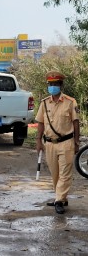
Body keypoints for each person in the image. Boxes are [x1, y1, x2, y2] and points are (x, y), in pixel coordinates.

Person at [35, 70, 80, 214]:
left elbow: (76, 123)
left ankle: (59, 200)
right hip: (49, 144)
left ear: (61, 85)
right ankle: (61, 197)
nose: (52, 86)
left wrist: (77, 142)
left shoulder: (70, 102)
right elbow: (40, 123)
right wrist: (38, 141)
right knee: (55, 173)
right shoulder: (44, 103)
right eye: (50, 84)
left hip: (66, 143)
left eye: (55, 84)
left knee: (65, 173)